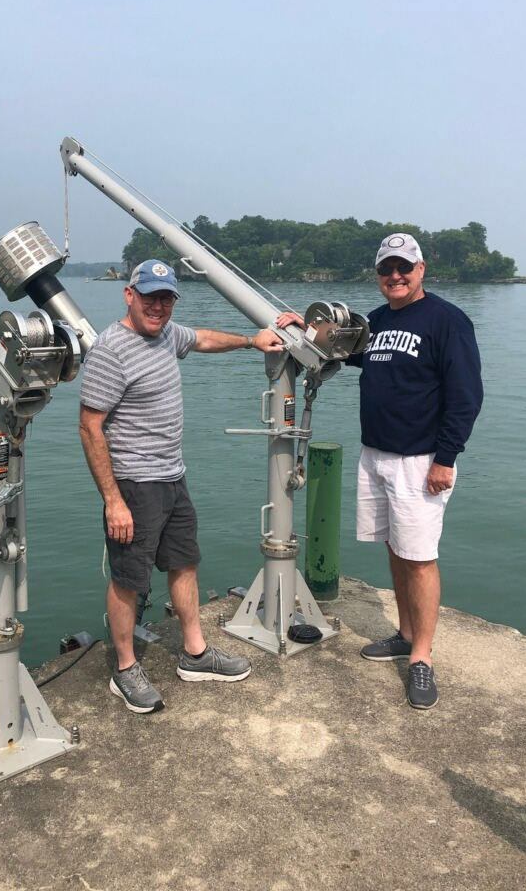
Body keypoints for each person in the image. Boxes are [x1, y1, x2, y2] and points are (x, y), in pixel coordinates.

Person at [277, 233, 482, 710]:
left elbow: (466, 395)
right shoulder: (379, 322)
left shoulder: (448, 321)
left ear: (421, 269)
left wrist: (446, 458)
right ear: (378, 274)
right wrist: (306, 328)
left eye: (403, 268)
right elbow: (347, 352)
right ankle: (405, 634)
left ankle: (422, 660)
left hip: (421, 460)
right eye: (387, 269)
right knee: (395, 546)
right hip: (377, 454)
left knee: (420, 557)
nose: (395, 276)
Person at [79, 259, 287, 714]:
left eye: (167, 298)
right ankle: (126, 667)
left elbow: (203, 338)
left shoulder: (167, 334)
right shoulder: (110, 349)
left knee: (184, 563)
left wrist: (253, 341)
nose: (159, 306)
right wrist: (113, 501)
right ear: (129, 294)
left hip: (173, 475)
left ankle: (194, 654)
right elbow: (90, 427)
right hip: (134, 483)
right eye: (150, 296)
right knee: (128, 579)